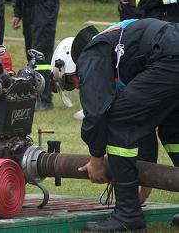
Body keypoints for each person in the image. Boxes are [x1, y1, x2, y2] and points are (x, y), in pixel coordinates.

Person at [51, 18, 179, 231]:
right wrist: (146, 175)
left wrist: (97, 160)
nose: (77, 86)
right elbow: (142, 122)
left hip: (169, 58)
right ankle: (129, 211)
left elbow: (96, 116)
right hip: (171, 54)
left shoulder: (90, 54)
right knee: (173, 130)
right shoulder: (114, 48)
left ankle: (127, 215)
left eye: (70, 82)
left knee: (117, 121)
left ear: (71, 66)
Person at [11, 0, 69, 111]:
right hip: (28, 7)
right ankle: (33, 93)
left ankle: (44, 98)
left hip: (45, 4)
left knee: (41, 52)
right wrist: (17, 11)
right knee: (31, 52)